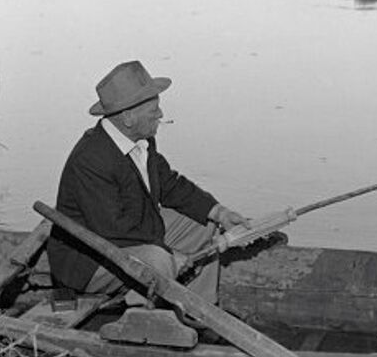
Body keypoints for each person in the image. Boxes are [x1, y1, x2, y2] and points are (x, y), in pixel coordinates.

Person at [47, 59, 248, 308]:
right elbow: (112, 230)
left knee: (203, 221)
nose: (161, 115)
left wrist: (219, 212)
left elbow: (170, 184)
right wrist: (170, 254)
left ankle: (199, 312)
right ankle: (149, 321)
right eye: (154, 110)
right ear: (128, 117)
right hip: (88, 261)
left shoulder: (141, 139)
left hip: (130, 233)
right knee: (158, 259)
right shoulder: (91, 160)